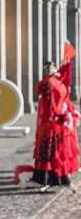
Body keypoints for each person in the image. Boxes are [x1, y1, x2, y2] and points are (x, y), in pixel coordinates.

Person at [32, 60, 80, 190]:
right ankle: (55, 178)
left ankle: (51, 179)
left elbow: (52, 103)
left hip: (52, 123)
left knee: (52, 151)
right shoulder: (55, 84)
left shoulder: (51, 84)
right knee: (54, 151)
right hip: (55, 123)